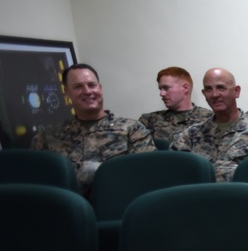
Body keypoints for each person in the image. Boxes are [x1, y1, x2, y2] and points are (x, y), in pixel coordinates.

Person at [30, 63, 155, 197]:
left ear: (100, 89)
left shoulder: (132, 130)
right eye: (78, 87)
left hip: (118, 207)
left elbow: (147, 177)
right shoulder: (47, 138)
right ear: (66, 93)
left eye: (92, 85)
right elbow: (37, 184)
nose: (87, 91)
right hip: (66, 211)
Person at [170, 68, 248, 182]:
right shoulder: (189, 136)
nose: (214, 94)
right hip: (199, 198)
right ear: (204, 94)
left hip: (244, 198)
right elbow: (175, 177)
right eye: (208, 89)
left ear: (236, 91)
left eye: (221, 88)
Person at [138, 66, 214, 143]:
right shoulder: (149, 121)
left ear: (185, 88)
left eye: (166, 88)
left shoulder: (210, 119)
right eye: (160, 89)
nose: (161, 94)